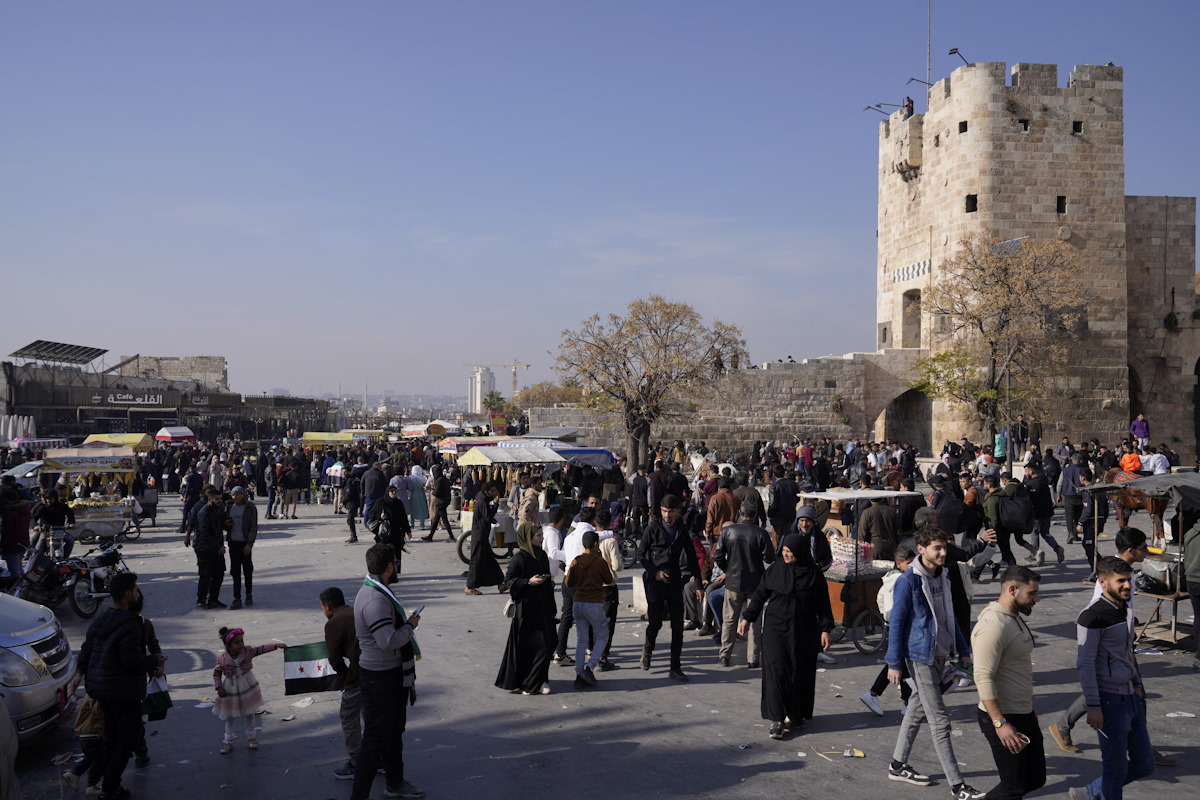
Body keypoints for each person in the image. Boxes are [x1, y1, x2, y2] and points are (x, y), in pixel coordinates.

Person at [886, 525, 984, 800]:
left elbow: (949, 618)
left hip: (942, 653)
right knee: (939, 720)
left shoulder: (943, 577)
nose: (943, 553)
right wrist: (894, 663)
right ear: (922, 550)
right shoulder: (909, 581)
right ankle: (958, 785)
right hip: (920, 656)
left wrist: (963, 650)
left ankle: (897, 764)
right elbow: (897, 623)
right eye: (937, 548)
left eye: (944, 547)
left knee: (916, 710)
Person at [1067, 557, 1153, 800]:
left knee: (1144, 764)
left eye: (1130, 580)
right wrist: (1093, 706)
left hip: (1130, 698)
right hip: (1109, 701)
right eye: (1121, 581)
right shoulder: (1092, 616)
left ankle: (1090, 792)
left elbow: (1126, 652)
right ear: (1102, 582)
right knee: (1115, 770)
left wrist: (1136, 684)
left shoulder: (1123, 608)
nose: (1128, 585)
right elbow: (1085, 663)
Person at [76, 572, 166, 800]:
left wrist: (79, 673)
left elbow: (86, 650)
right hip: (123, 692)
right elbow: (131, 661)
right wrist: (154, 660)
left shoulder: (101, 619)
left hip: (102, 690)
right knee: (125, 742)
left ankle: (108, 784)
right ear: (128, 595)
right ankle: (110, 788)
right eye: (136, 591)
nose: (138, 594)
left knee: (112, 738)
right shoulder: (131, 624)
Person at [738, 532, 833, 739]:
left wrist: (825, 629)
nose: (786, 554)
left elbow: (823, 604)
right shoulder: (775, 570)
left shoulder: (813, 573)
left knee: (799, 673)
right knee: (777, 672)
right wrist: (747, 618)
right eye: (784, 551)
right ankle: (777, 719)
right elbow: (760, 595)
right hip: (775, 630)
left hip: (804, 632)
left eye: (790, 551)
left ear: (800, 551)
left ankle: (795, 713)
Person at [351, 543, 423, 800]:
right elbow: (388, 641)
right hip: (380, 678)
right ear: (390, 566)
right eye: (395, 563)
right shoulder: (375, 600)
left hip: (389, 674)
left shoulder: (376, 591)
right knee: (374, 741)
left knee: (393, 734)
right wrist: (410, 626)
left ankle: (395, 781)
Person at [972, 565, 1046, 800]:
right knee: (1013, 787)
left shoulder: (1013, 617)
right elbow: (982, 676)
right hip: (1004, 717)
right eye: (1032, 593)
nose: (1037, 599)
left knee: (1035, 778)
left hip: (1023, 712)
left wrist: (1030, 710)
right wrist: (1000, 723)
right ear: (1013, 589)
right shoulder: (993, 624)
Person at [638, 494, 702, 681]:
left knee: (677, 627)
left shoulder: (682, 530)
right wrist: (654, 571)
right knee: (656, 622)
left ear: (677, 512)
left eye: (670, 512)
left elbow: (691, 557)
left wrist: (698, 583)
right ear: (660, 511)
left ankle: (675, 667)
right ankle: (648, 651)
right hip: (655, 583)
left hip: (675, 582)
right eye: (664, 512)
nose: (667, 516)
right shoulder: (652, 529)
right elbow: (641, 555)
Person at [496, 522, 557, 695]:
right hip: (526, 608)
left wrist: (552, 607)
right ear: (528, 538)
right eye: (538, 536)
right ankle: (530, 682)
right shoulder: (519, 558)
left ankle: (538, 679)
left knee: (549, 643)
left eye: (541, 535)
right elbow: (507, 581)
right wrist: (528, 582)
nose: (541, 539)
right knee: (528, 646)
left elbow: (548, 581)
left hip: (543, 606)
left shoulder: (542, 555)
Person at [713, 501, 775, 668]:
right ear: (755, 516)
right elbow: (769, 558)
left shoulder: (727, 531)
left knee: (729, 620)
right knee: (754, 623)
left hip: (733, 582)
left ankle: (725, 656)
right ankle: (753, 659)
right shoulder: (761, 533)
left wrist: (728, 570)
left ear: (740, 513)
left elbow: (718, 555)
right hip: (755, 584)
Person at [860, 546, 915, 716]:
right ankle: (904, 702)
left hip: (894, 626)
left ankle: (875, 695)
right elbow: (894, 609)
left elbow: (880, 599)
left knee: (898, 664)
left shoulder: (892, 579)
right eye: (910, 563)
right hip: (899, 628)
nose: (913, 566)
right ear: (899, 564)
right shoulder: (901, 582)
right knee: (902, 665)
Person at [212, 626, 284, 754]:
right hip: (231, 688)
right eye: (237, 642)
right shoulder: (222, 658)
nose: (241, 644)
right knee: (230, 716)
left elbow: (260, 649)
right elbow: (217, 673)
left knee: (250, 712)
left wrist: (275, 645)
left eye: (241, 641)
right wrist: (219, 687)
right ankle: (228, 741)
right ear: (228, 645)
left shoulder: (247, 651)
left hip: (247, 685)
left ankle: (251, 738)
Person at [321, 586, 363, 781]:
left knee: (349, 716)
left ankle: (356, 762)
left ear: (327, 606)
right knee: (371, 715)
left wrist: (347, 677)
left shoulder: (334, 623)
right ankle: (377, 757)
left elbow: (335, 659)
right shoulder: (355, 611)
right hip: (377, 670)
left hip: (359, 674)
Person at [564, 529, 615, 689]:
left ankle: (579, 673)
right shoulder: (599, 562)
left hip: (578, 603)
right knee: (602, 636)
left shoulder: (576, 561)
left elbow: (568, 583)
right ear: (595, 545)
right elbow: (609, 579)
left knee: (581, 639)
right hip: (594, 603)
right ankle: (590, 666)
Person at [187, 488, 228, 610]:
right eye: (217, 499)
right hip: (204, 548)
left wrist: (227, 524)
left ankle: (213, 599)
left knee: (219, 574)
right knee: (205, 575)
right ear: (210, 500)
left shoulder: (217, 510)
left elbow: (219, 527)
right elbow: (204, 532)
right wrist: (218, 546)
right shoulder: (204, 512)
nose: (220, 501)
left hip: (216, 548)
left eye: (221, 498)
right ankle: (201, 600)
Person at [464, 481, 506, 596]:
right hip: (479, 536)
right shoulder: (482, 501)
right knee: (476, 562)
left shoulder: (484, 500)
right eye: (492, 491)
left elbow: (484, 516)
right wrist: (496, 505)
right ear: (487, 492)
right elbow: (487, 516)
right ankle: (469, 587)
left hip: (482, 535)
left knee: (490, 561)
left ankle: (500, 584)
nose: (494, 493)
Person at [225, 487, 257, 610]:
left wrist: (249, 544)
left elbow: (253, 527)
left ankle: (249, 594)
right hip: (233, 543)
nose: (235, 497)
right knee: (235, 571)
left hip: (245, 543)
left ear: (243, 495)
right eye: (233, 495)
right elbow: (224, 525)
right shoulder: (228, 507)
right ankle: (236, 598)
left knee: (248, 570)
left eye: (238, 495)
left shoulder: (250, 507)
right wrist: (226, 525)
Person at [422, 466, 455, 542]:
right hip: (445, 501)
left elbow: (436, 492)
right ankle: (430, 536)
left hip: (441, 502)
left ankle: (451, 536)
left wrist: (432, 491)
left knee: (445, 520)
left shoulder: (439, 481)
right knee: (436, 520)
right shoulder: (445, 479)